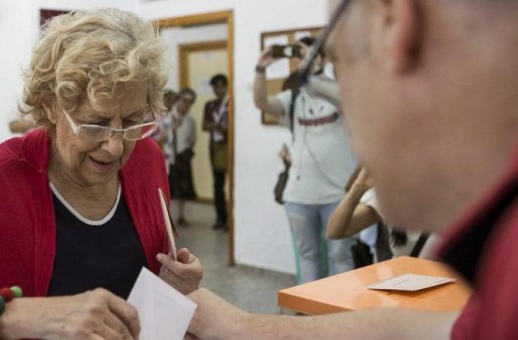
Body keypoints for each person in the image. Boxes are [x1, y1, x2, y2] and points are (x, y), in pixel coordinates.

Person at [187, 0, 518, 338]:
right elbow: (438, 330)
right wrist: (237, 326)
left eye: (340, 64)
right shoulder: (502, 265)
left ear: (392, 24)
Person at [0, 9, 202, 339]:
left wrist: (170, 286)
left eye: (131, 121)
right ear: (50, 107)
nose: (115, 147)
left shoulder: (146, 158)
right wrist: (28, 316)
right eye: (95, 124)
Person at [254, 36, 357, 283]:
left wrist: (312, 69)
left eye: (311, 55)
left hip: (338, 195)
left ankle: (342, 319)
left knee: (340, 258)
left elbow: (344, 100)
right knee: (308, 257)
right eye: (302, 56)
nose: (305, 61)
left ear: (322, 59)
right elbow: (262, 103)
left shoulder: (338, 91)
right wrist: (260, 69)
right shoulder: (294, 97)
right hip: (299, 197)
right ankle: (310, 316)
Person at [164, 87, 198, 226]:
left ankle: (181, 215)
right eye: (184, 100)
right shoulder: (167, 117)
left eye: (190, 102)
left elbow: (193, 139)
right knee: (166, 186)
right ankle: (165, 217)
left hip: (182, 156)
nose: (186, 104)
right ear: (179, 100)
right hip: (167, 156)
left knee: (183, 187)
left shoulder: (191, 120)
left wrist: (188, 151)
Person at [202, 74, 229, 231]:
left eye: (220, 86)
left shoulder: (230, 103)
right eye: (215, 87)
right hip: (215, 147)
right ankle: (220, 218)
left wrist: (224, 128)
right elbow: (204, 126)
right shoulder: (209, 105)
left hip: (229, 147)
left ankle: (231, 221)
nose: (217, 90)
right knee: (217, 184)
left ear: (226, 87)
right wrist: (215, 126)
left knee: (232, 184)